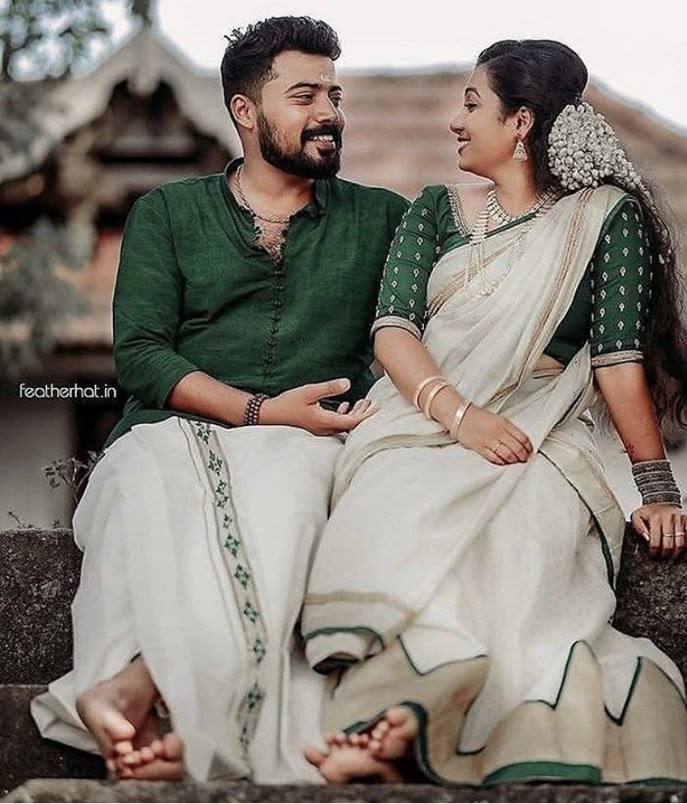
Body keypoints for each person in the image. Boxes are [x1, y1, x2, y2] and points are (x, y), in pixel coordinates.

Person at [301, 39, 687, 786]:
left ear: (521, 122)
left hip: (541, 437)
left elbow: (618, 361)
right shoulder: (434, 211)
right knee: (396, 504)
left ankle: (424, 722)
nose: (454, 121)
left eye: (470, 104)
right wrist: (462, 418)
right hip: (418, 427)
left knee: (526, 533)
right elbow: (392, 332)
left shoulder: (601, 220)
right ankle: (403, 711)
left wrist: (656, 491)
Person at [30, 16, 408, 783]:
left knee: (290, 502)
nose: (329, 111)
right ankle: (164, 708)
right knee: (135, 493)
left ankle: (144, 695)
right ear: (245, 111)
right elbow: (140, 355)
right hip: (169, 432)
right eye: (304, 95)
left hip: (314, 444)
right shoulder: (166, 214)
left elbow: (419, 339)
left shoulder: (385, 220)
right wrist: (259, 412)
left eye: (334, 93)